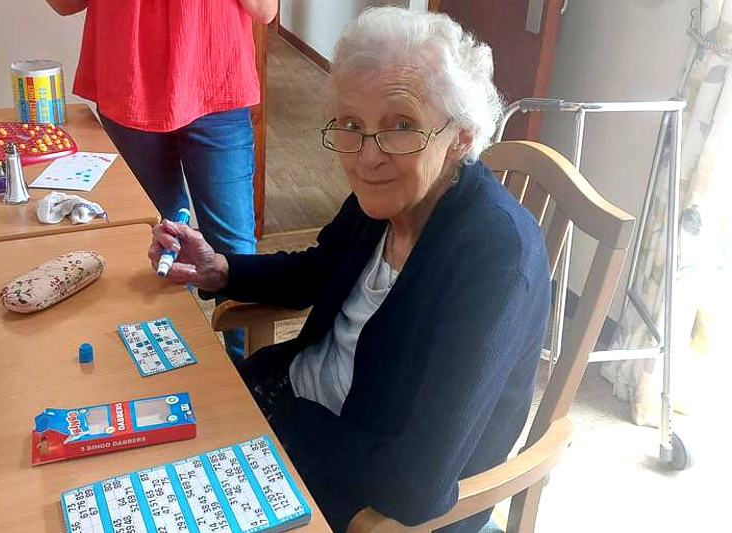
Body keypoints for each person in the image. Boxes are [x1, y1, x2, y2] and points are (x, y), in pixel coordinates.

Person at [149, 7, 551, 533]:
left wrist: (283, 422)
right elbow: (316, 272)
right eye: (351, 125)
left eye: (400, 126)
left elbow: (418, 484)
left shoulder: (498, 259)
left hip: (352, 481)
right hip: (293, 408)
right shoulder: (386, 200)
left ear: (462, 136)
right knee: (144, 442)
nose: (366, 157)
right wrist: (221, 269)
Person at [43, 0, 278, 361]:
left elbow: (264, 10)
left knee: (234, 248)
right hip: (129, 83)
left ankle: (250, 381)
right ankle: (173, 375)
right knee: (154, 251)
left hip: (217, 81)